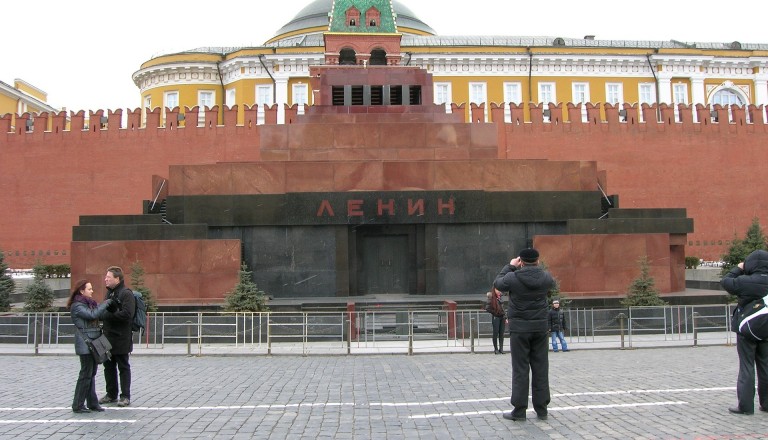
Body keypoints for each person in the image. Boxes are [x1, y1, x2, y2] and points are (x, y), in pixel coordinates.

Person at [494, 248, 555, 421]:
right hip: (540, 328)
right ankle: (542, 409)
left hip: (520, 329)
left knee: (520, 369)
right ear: (537, 260)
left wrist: (510, 266)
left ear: (521, 261)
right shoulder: (545, 277)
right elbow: (551, 285)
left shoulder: (513, 277)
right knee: (541, 367)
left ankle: (519, 410)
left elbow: (498, 283)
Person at [721, 249, 768, 415]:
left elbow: (726, 281)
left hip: (746, 330)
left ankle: (746, 406)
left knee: (747, 367)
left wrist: (739, 268)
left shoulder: (744, 281)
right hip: (767, 329)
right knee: (765, 366)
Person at [68, 279, 113, 413]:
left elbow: (97, 314)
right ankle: (78, 404)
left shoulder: (88, 304)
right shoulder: (77, 306)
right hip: (86, 343)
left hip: (92, 342)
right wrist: (106, 303)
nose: (92, 291)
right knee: (86, 374)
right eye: (89, 289)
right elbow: (92, 315)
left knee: (91, 374)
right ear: (82, 291)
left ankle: (92, 403)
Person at [99, 266, 136, 408]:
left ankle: (125, 396)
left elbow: (128, 314)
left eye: (108, 277)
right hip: (107, 337)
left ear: (117, 279)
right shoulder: (109, 294)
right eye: (105, 277)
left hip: (121, 337)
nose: (106, 279)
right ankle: (111, 394)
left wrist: (109, 316)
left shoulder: (126, 294)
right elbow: (102, 311)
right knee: (108, 366)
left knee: (123, 366)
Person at [486, 288, 508, 354]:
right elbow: (487, 308)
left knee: (502, 333)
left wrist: (505, 317)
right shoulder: (491, 298)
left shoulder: (500, 297)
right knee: (495, 333)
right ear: (494, 290)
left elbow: (503, 308)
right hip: (496, 317)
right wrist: (495, 312)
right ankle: (496, 349)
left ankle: (501, 349)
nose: (499, 291)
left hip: (502, 317)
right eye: (497, 290)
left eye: (499, 290)